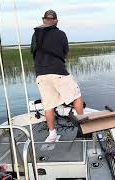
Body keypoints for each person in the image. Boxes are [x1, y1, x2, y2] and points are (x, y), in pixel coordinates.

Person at [31, 10, 84, 142]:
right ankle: (83, 127)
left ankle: (52, 134)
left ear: (44, 20)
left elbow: (33, 51)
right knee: (76, 96)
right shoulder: (60, 34)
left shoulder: (35, 34)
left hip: (41, 74)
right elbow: (65, 51)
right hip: (58, 71)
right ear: (56, 21)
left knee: (48, 105)